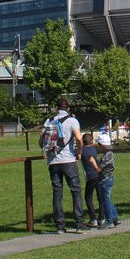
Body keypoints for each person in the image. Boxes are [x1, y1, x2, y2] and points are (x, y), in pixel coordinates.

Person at [42, 98, 87, 234]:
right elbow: (79, 138)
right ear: (68, 108)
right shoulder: (72, 121)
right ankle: (79, 223)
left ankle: (59, 226)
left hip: (53, 161)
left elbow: (41, 142)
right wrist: (79, 152)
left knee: (57, 192)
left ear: (57, 108)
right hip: (68, 160)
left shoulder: (49, 121)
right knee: (75, 190)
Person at [95, 134, 120, 229]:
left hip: (105, 180)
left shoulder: (107, 156)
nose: (98, 147)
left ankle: (109, 221)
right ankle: (115, 217)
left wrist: (93, 162)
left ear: (103, 145)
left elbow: (98, 169)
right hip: (109, 179)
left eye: (99, 145)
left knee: (105, 200)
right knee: (107, 199)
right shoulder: (110, 154)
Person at [80, 132, 102, 227]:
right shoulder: (94, 149)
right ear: (91, 141)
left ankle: (93, 219)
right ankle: (102, 217)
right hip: (98, 174)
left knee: (88, 198)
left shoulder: (82, 150)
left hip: (90, 176)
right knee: (100, 197)